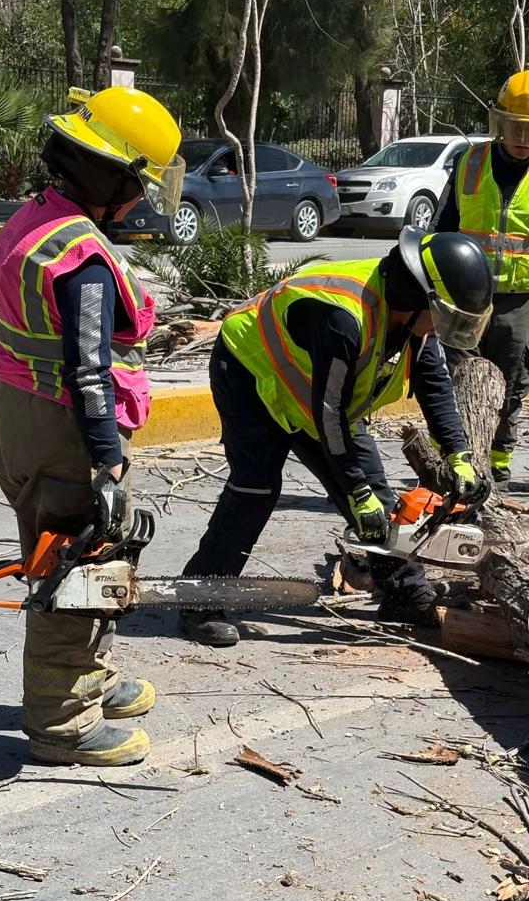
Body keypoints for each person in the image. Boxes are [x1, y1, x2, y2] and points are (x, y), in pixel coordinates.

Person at [0, 86, 186, 766]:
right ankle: (63, 723)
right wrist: (108, 460)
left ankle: (87, 680)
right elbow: (89, 369)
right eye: (137, 184)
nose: (139, 200)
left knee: (65, 555)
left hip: (18, 413)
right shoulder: (83, 258)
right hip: (66, 426)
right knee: (78, 566)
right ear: (112, 175)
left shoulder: (35, 220)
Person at [180, 227, 494, 647]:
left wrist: (457, 452)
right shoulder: (342, 318)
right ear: (417, 295)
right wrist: (353, 488)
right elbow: (330, 414)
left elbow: (434, 383)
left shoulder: (413, 322)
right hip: (253, 374)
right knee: (255, 487)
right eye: (443, 316)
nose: (442, 328)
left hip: (320, 394)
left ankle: (404, 595)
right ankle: (199, 600)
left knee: (377, 499)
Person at [433, 70, 529, 484]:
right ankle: (454, 456)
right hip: (464, 296)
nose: (522, 137)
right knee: (457, 376)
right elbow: (440, 230)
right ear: (499, 123)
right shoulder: (469, 162)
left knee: (512, 375)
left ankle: (499, 456)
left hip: (520, 298)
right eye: (515, 127)